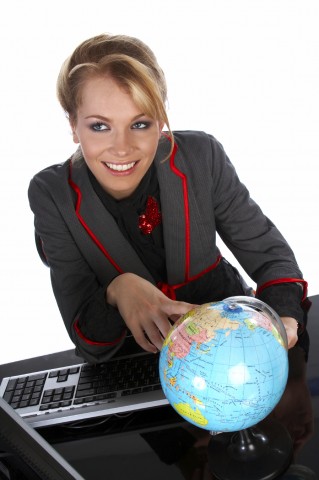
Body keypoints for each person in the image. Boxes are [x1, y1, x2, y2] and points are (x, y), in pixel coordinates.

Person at [28, 33, 309, 364]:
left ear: (160, 121)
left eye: (140, 123)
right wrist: (119, 290)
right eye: (100, 127)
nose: (122, 147)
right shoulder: (53, 195)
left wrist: (284, 321)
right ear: (73, 124)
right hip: (137, 364)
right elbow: (89, 341)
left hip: (231, 351)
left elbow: (271, 259)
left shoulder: (201, 156)